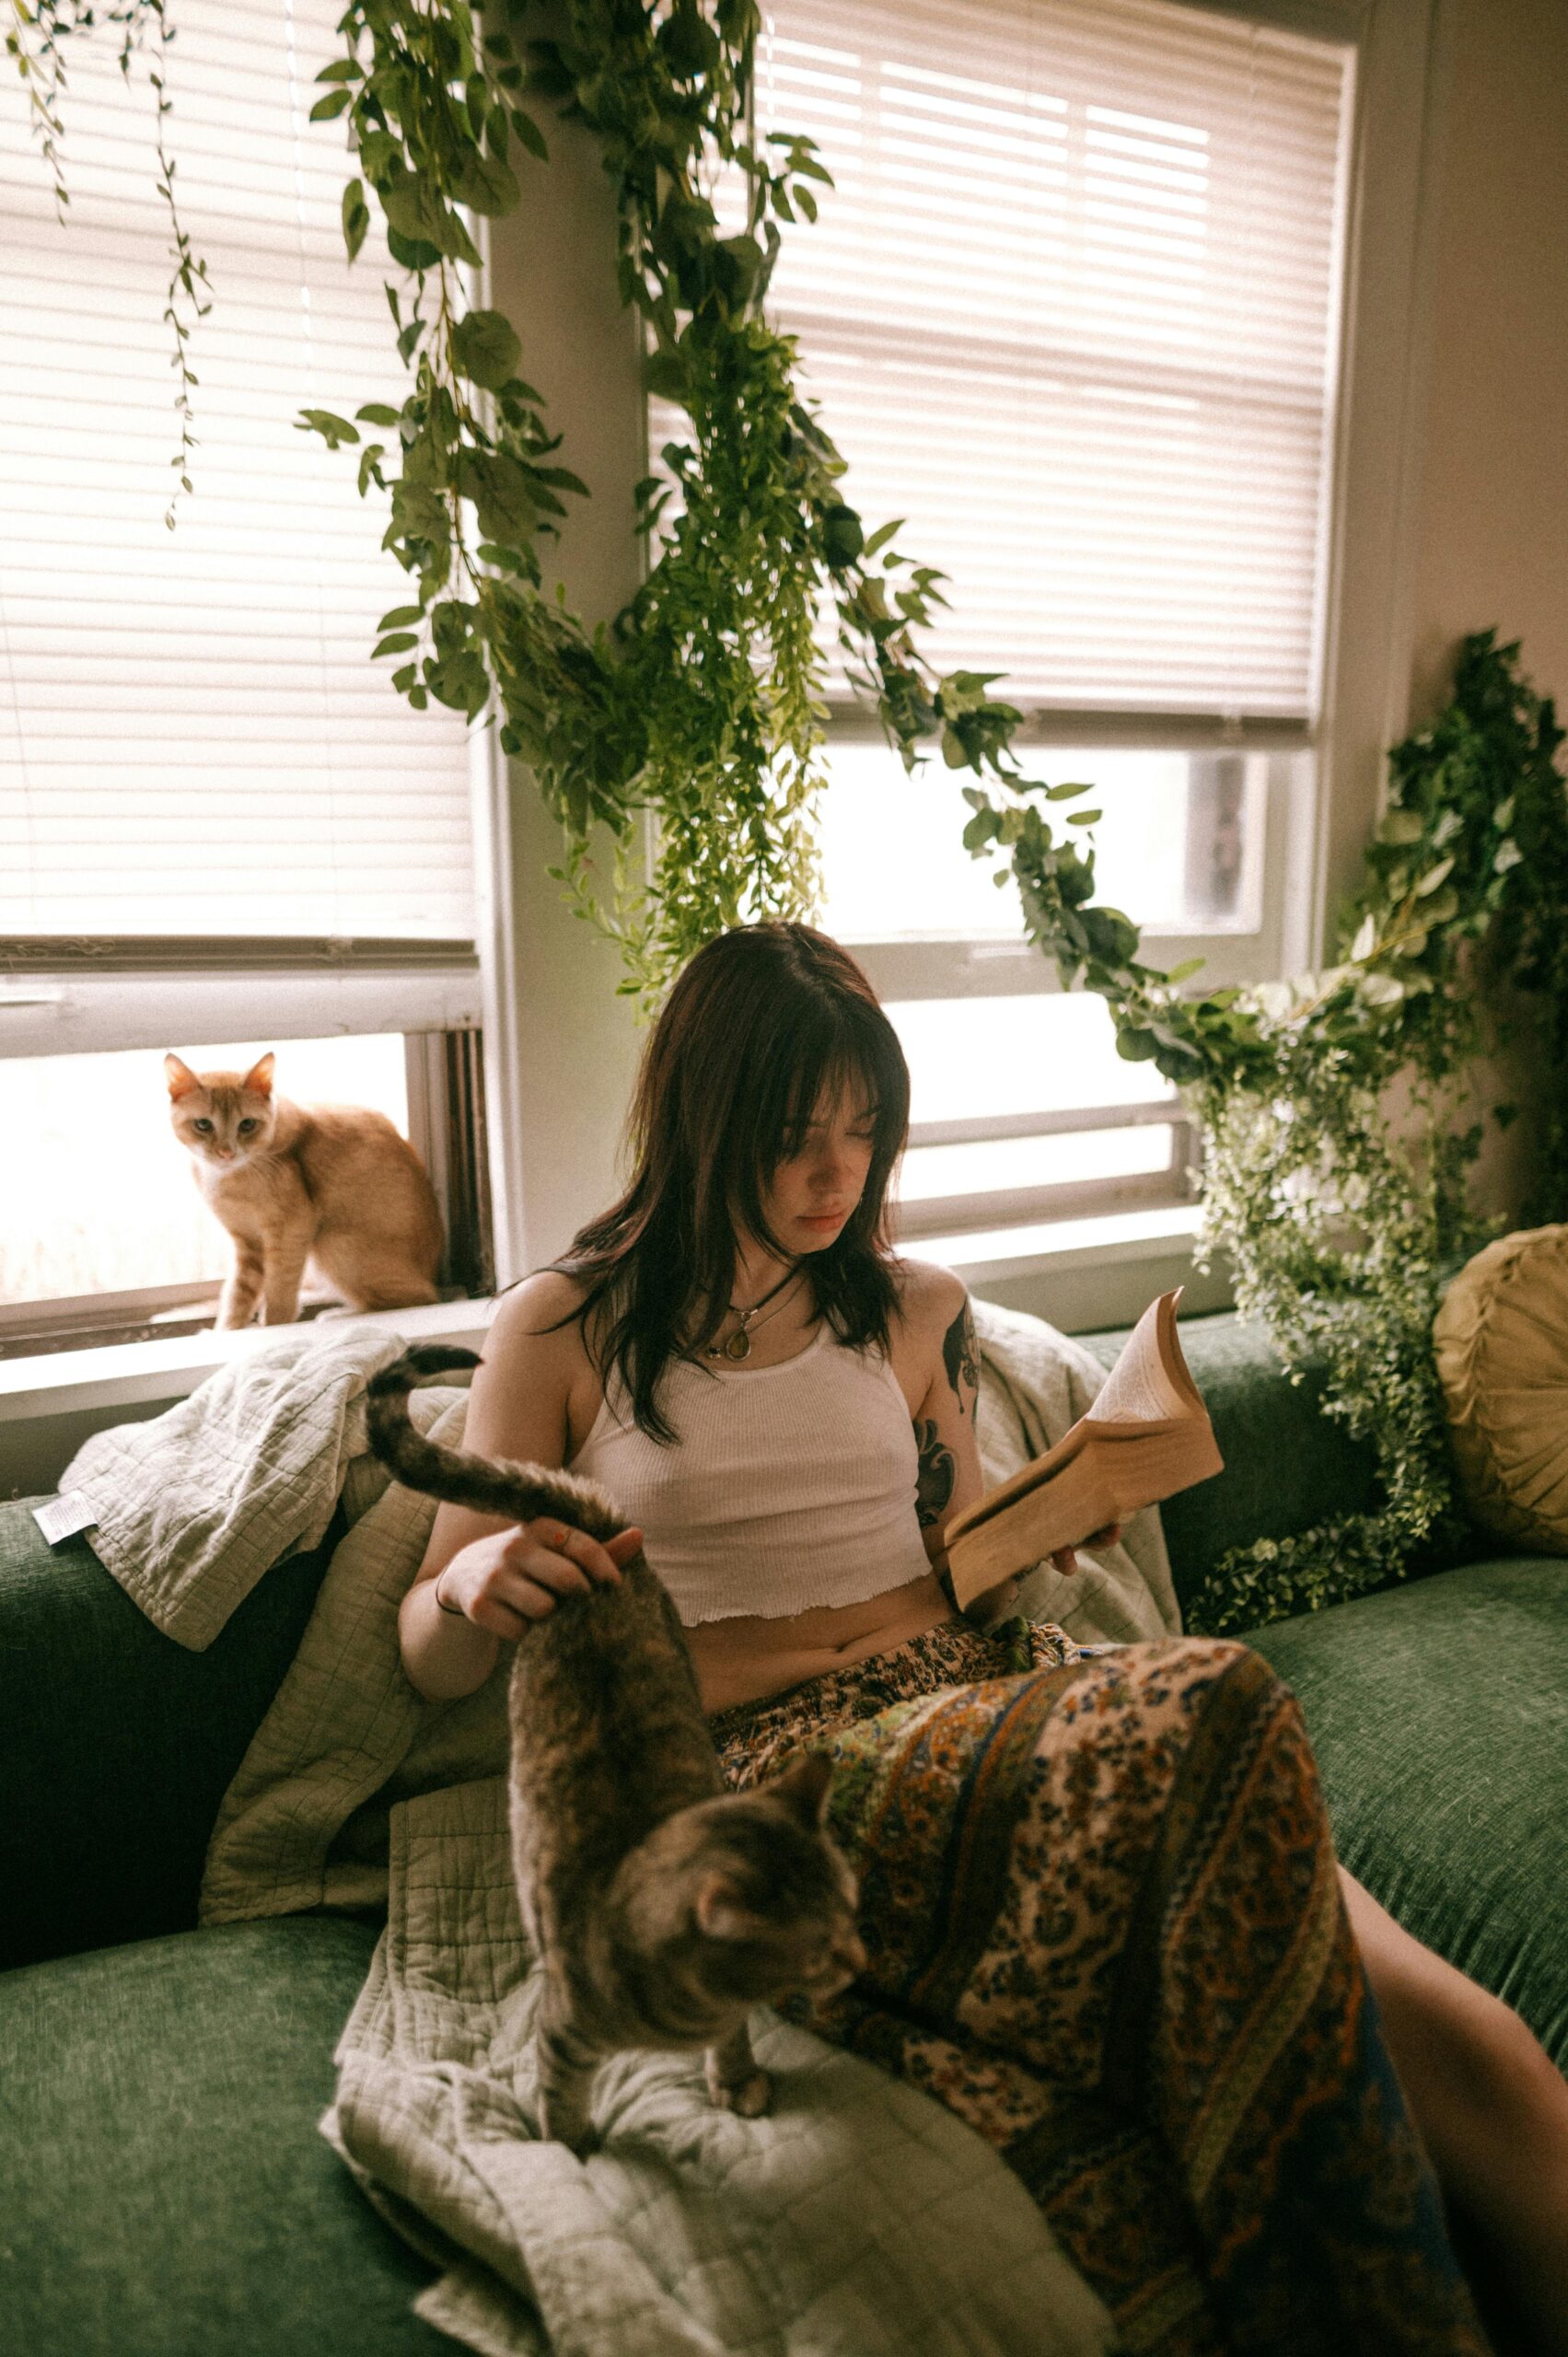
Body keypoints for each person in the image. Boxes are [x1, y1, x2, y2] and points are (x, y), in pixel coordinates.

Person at [401, 921, 1568, 2355]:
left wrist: (1048, 1547)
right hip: (784, 1769)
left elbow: (975, 1574)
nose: (837, 1175)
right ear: (700, 1120)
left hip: (997, 1700)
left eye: (863, 1132)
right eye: (791, 1136)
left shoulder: (910, 1310)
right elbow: (428, 1647)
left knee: (1484, 2056)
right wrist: (473, 1588)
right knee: (1220, 1702)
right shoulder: (566, 1327)